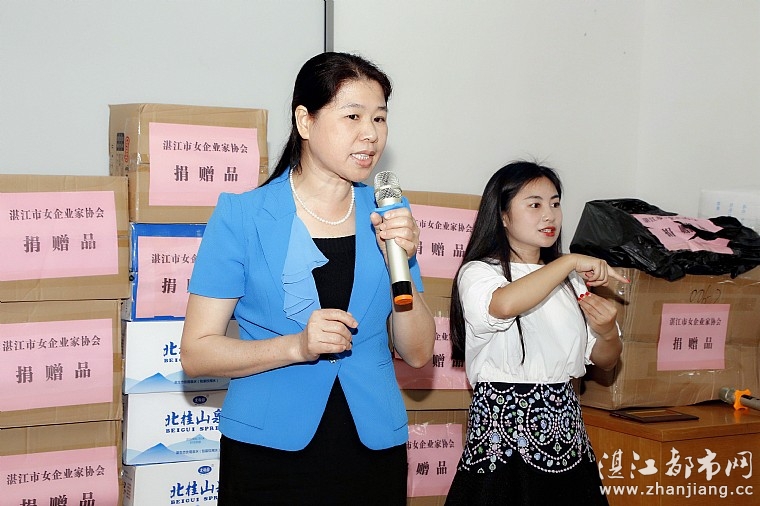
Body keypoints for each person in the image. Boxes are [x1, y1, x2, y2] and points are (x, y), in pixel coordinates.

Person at [180, 52, 435, 505]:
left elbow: (417, 353)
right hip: (268, 454)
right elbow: (197, 353)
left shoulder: (389, 214)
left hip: (372, 449)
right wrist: (296, 347)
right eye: (353, 116)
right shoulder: (243, 216)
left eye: (379, 118)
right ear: (305, 120)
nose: (371, 134)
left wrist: (404, 261)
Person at [444, 161, 628, 505]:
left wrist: (607, 333)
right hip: (502, 436)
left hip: (567, 432)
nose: (549, 215)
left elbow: (605, 360)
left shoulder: (571, 280)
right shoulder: (479, 272)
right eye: (535, 204)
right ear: (503, 215)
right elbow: (503, 305)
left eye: (555, 204)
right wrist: (568, 262)